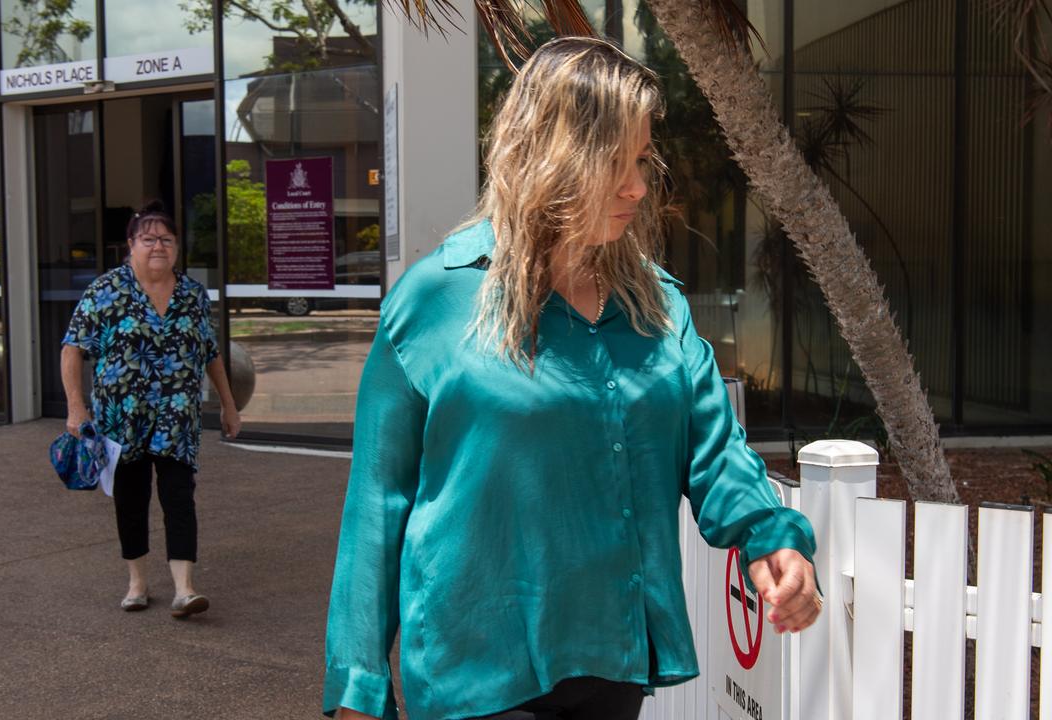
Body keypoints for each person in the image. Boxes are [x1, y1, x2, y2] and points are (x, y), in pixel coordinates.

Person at [323, 38, 821, 720]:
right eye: (616, 163)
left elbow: (715, 450)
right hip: (476, 667)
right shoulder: (434, 301)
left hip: (609, 659)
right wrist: (358, 687)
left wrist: (771, 536)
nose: (638, 187)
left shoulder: (658, 305)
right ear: (552, 155)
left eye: (642, 160)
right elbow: (377, 504)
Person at [61, 200, 240, 618]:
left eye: (167, 239)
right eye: (149, 238)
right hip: (121, 419)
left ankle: (184, 589)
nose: (158, 246)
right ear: (131, 244)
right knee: (131, 498)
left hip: (178, 418)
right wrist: (75, 407)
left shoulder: (193, 294)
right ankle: (137, 583)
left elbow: (211, 354)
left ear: (177, 247)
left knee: (180, 498)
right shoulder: (105, 291)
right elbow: (72, 349)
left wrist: (229, 405)